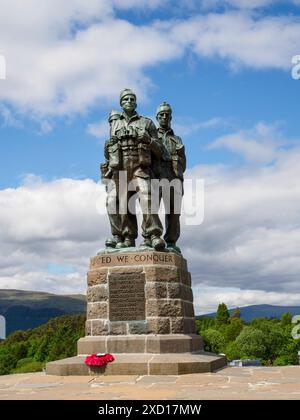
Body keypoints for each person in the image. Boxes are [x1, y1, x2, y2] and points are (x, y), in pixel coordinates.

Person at [110, 88, 165, 250]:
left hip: (141, 166)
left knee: (147, 197)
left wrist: (148, 140)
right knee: (122, 204)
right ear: (121, 103)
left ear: (136, 102)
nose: (129, 102)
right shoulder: (115, 124)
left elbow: (160, 150)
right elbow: (110, 150)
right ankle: (127, 237)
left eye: (132, 99)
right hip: (121, 168)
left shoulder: (147, 122)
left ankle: (153, 234)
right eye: (126, 99)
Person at [156, 102, 186, 253]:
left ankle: (171, 242)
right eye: (161, 115)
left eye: (167, 115)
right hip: (157, 174)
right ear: (157, 117)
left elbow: (184, 166)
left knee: (174, 212)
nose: (164, 117)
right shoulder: (152, 135)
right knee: (152, 209)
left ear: (171, 118)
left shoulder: (177, 139)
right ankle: (152, 238)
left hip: (174, 176)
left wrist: (180, 155)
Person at [101, 110, 123, 248]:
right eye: (111, 122)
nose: (113, 124)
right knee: (110, 203)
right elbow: (108, 162)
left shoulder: (127, 138)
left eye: (116, 121)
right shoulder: (108, 144)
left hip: (132, 174)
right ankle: (117, 235)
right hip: (114, 178)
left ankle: (149, 238)